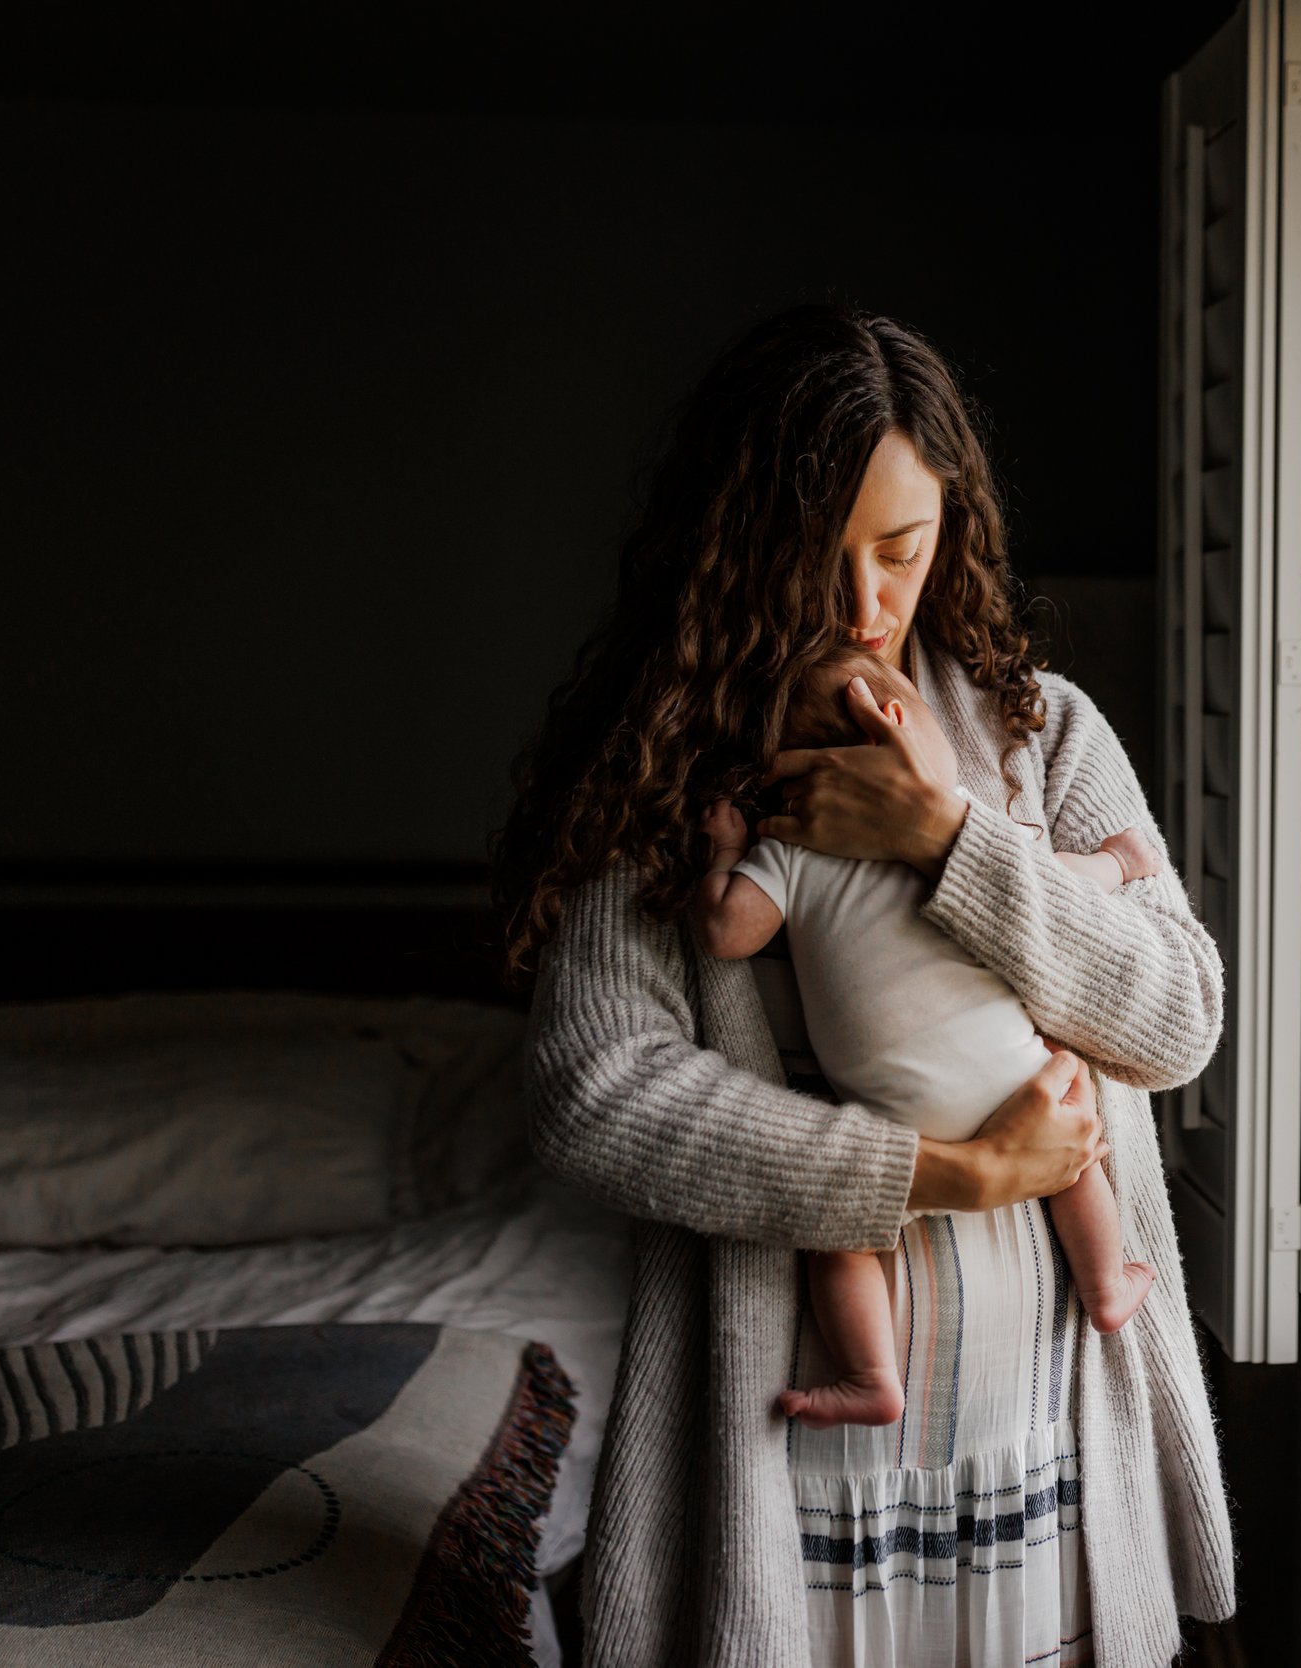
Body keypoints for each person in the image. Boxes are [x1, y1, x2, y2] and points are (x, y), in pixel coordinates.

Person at [494, 305, 1234, 1668]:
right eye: (814, 559)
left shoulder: (1041, 736)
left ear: (951, 524)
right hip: (796, 1501)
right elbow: (594, 1094)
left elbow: (1178, 1019)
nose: (860, 607)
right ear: (732, 554)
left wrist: (949, 843)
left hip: (1057, 1471)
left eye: (899, 550)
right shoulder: (676, 786)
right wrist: (944, 1171)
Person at [690, 643, 1161, 1431]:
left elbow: (727, 931)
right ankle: (1107, 1283)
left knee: (838, 1239)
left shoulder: (793, 849)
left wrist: (726, 854)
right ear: (897, 726)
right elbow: (1059, 888)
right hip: (1015, 1084)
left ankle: (871, 1375)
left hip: (886, 1122)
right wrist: (1117, 861)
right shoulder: (971, 830)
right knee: (1080, 1145)